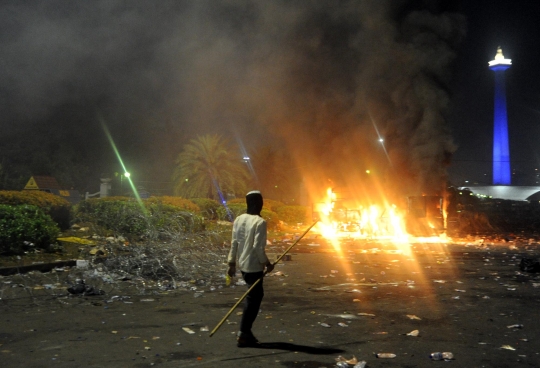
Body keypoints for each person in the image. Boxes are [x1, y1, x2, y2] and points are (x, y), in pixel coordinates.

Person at [227, 190, 274, 347]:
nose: (262, 205)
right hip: (254, 267)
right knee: (254, 299)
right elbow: (258, 247)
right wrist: (267, 264)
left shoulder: (239, 219)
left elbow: (234, 243)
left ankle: (246, 332)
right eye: (260, 202)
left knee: (253, 297)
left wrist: (231, 263)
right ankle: (243, 333)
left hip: (243, 265)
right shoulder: (260, 222)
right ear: (255, 203)